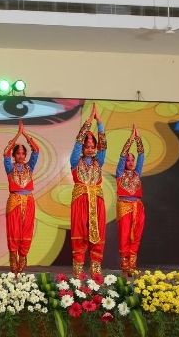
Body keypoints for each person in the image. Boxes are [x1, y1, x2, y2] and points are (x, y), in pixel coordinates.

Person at [69, 104, 106, 278]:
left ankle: (96, 269)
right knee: (80, 232)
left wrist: (100, 123)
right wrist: (89, 121)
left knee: (98, 232)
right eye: (87, 146)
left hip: (97, 201)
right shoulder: (75, 161)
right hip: (80, 199)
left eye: (93, 146)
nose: (90, 148)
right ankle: (78, 271)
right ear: (83, 148)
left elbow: (104, 145)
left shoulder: (99, 161)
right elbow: (77, 142)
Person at [4, 119, 39, 274]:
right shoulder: (9, 168)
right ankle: (13, 258)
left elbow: (36, 150)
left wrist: (25, 134)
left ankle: (23, 257)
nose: (20, 155)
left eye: (23, 153)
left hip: (28, 201)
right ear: (14, 155)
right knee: (14, 230)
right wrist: (17, 135)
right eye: (17, 153)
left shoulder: (29, 167)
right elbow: (5, 153)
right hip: (14, 201)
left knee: (27, 230)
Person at [116, 124, 145, 277]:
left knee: (136, 235)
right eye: (128, 160)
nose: (131, 162)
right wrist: (131, 139)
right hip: (124, 206)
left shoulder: (137, 173)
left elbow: (142, 155)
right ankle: (125, 264)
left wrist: (138, 139)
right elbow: (122, 156)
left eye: (132, 160)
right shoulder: (120, 173)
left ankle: (132, 264)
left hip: (137, 206)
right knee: (125, 235)